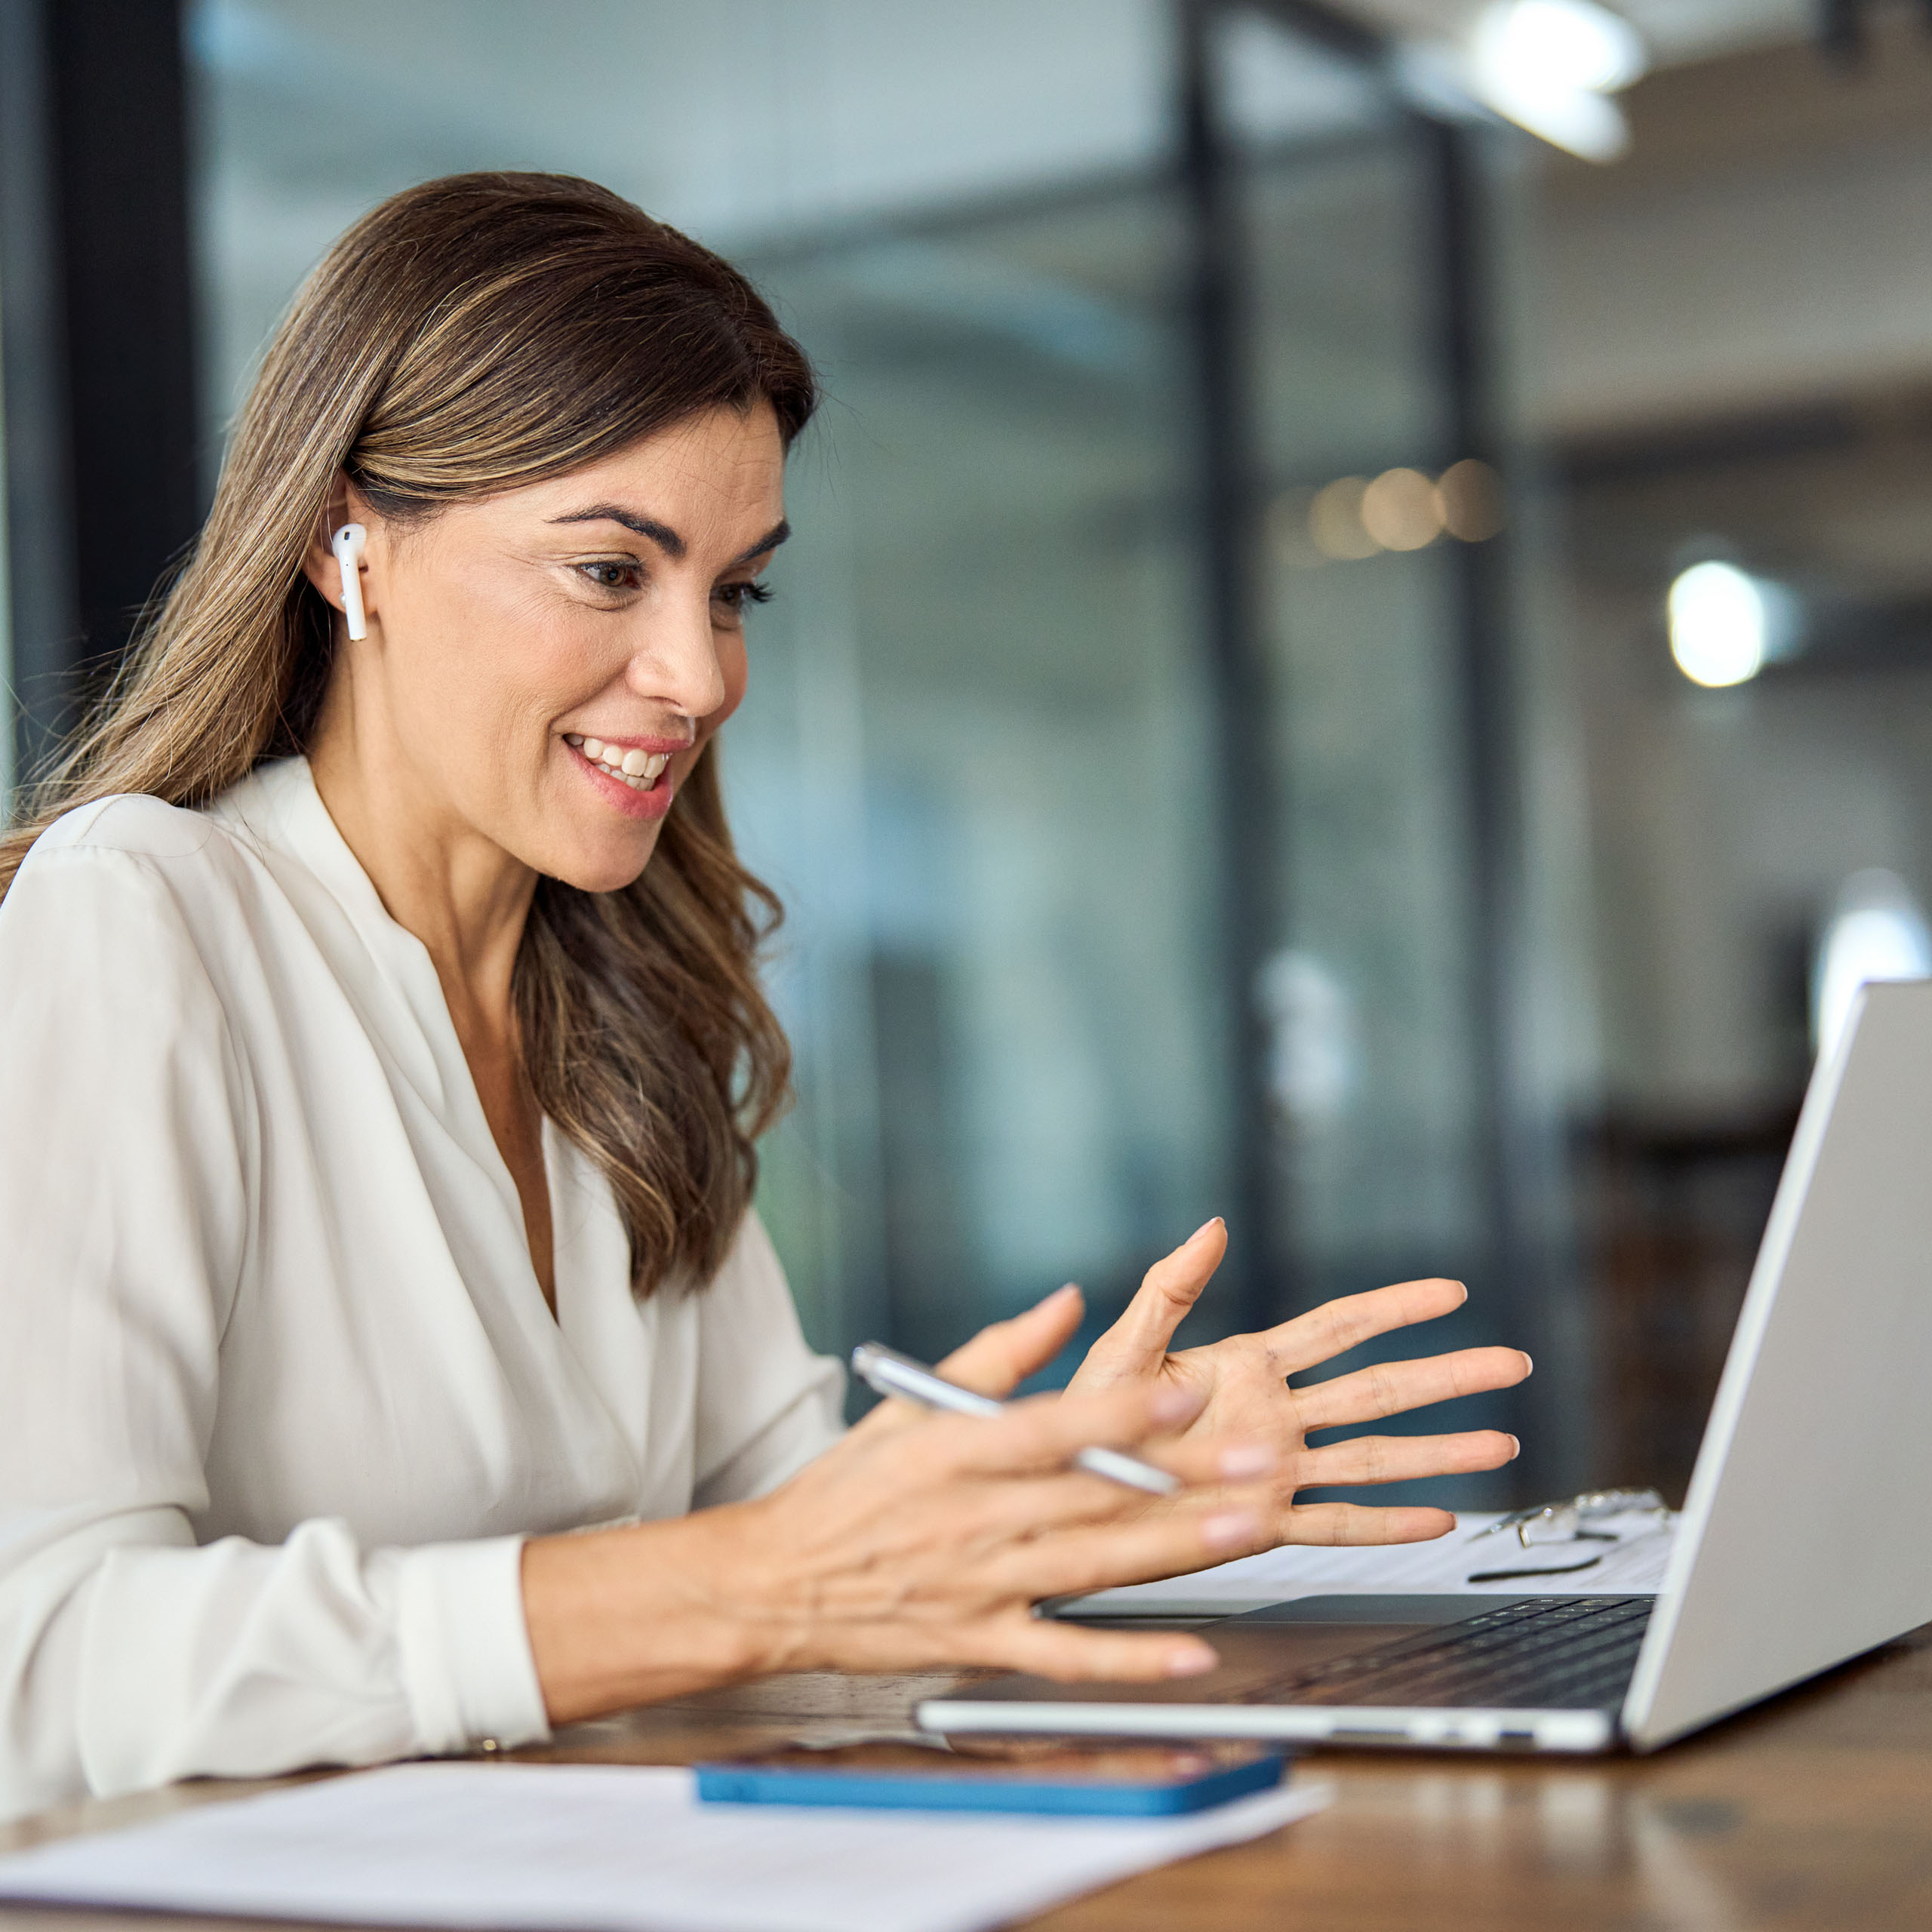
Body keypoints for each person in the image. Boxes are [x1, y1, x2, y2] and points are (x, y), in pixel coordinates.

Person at [0, 173, 1529, 1821]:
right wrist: (737, 1584)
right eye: (608, 570)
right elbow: (45, 1661)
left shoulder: (627, 995)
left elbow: (801, 1600)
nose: (703, 673)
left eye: (734, 589)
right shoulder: (143, 915)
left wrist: (1065, 1493)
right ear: (341, 543)